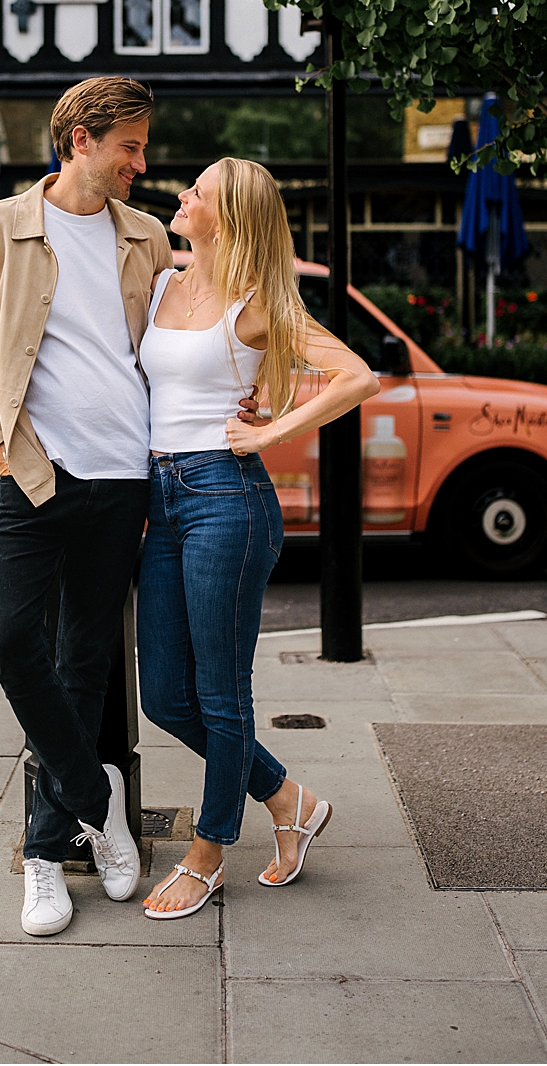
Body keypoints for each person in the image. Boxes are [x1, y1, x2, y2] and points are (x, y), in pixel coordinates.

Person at [0, 76, 171, 938]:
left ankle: (45, 855)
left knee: (85, 661)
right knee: (10, 642)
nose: (142, 163)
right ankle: (98, 801)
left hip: (124, 478)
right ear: (80, 142)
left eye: (143, 147)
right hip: (33, 474)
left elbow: (167, 350)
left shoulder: (147, 238)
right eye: (130, 147)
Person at [136, 158, 375, 919]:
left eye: (198, 191)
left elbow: (357, 377)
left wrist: (271, 432)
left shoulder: (256, 304)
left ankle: (208, 854)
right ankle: (286, 798)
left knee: (220, 693)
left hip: (226, 499)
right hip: (161, 496)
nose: (182, 195)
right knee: (164, 696)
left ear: (230, 216)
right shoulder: (161, 284)